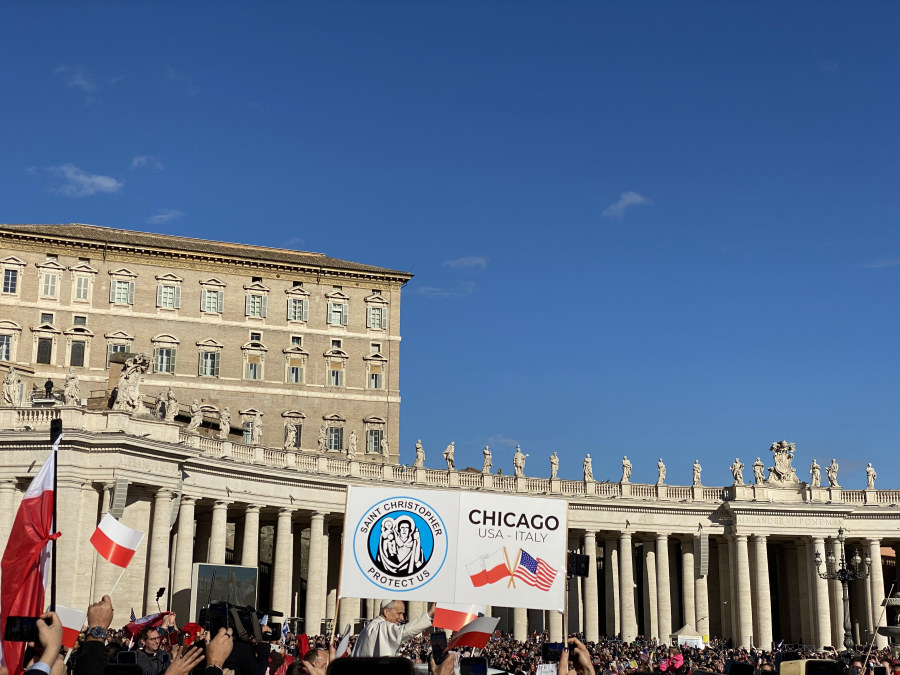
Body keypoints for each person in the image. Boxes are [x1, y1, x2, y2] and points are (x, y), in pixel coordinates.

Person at [351, 599, 435, 658]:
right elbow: (404, 632)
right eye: (399, 613)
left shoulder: (368, 627)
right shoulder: (381, 626)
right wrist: (430, 614)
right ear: (386, 612)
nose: (402, 618)